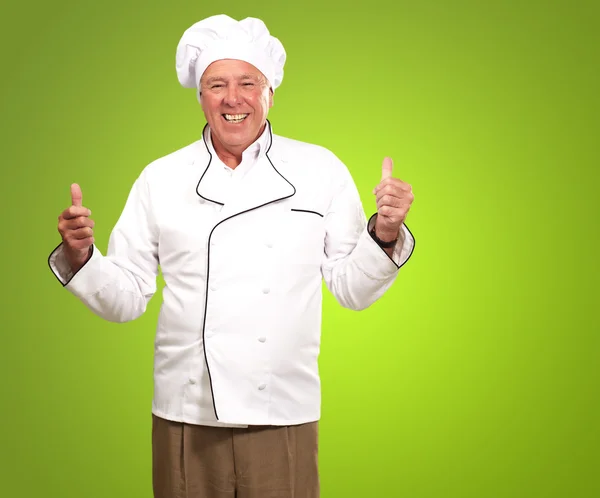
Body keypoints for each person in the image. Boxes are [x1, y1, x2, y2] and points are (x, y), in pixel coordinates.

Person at [48, 14, 415, 498]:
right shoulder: (162, 177)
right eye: (216, 84)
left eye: (248, 82)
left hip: (282, 412)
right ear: (200, 97)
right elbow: (127, 298)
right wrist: (82, 257)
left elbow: (351, 288)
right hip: (187, 414)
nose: (232, 98)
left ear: (270, 92)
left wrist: (385, 233)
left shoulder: (319, 169)